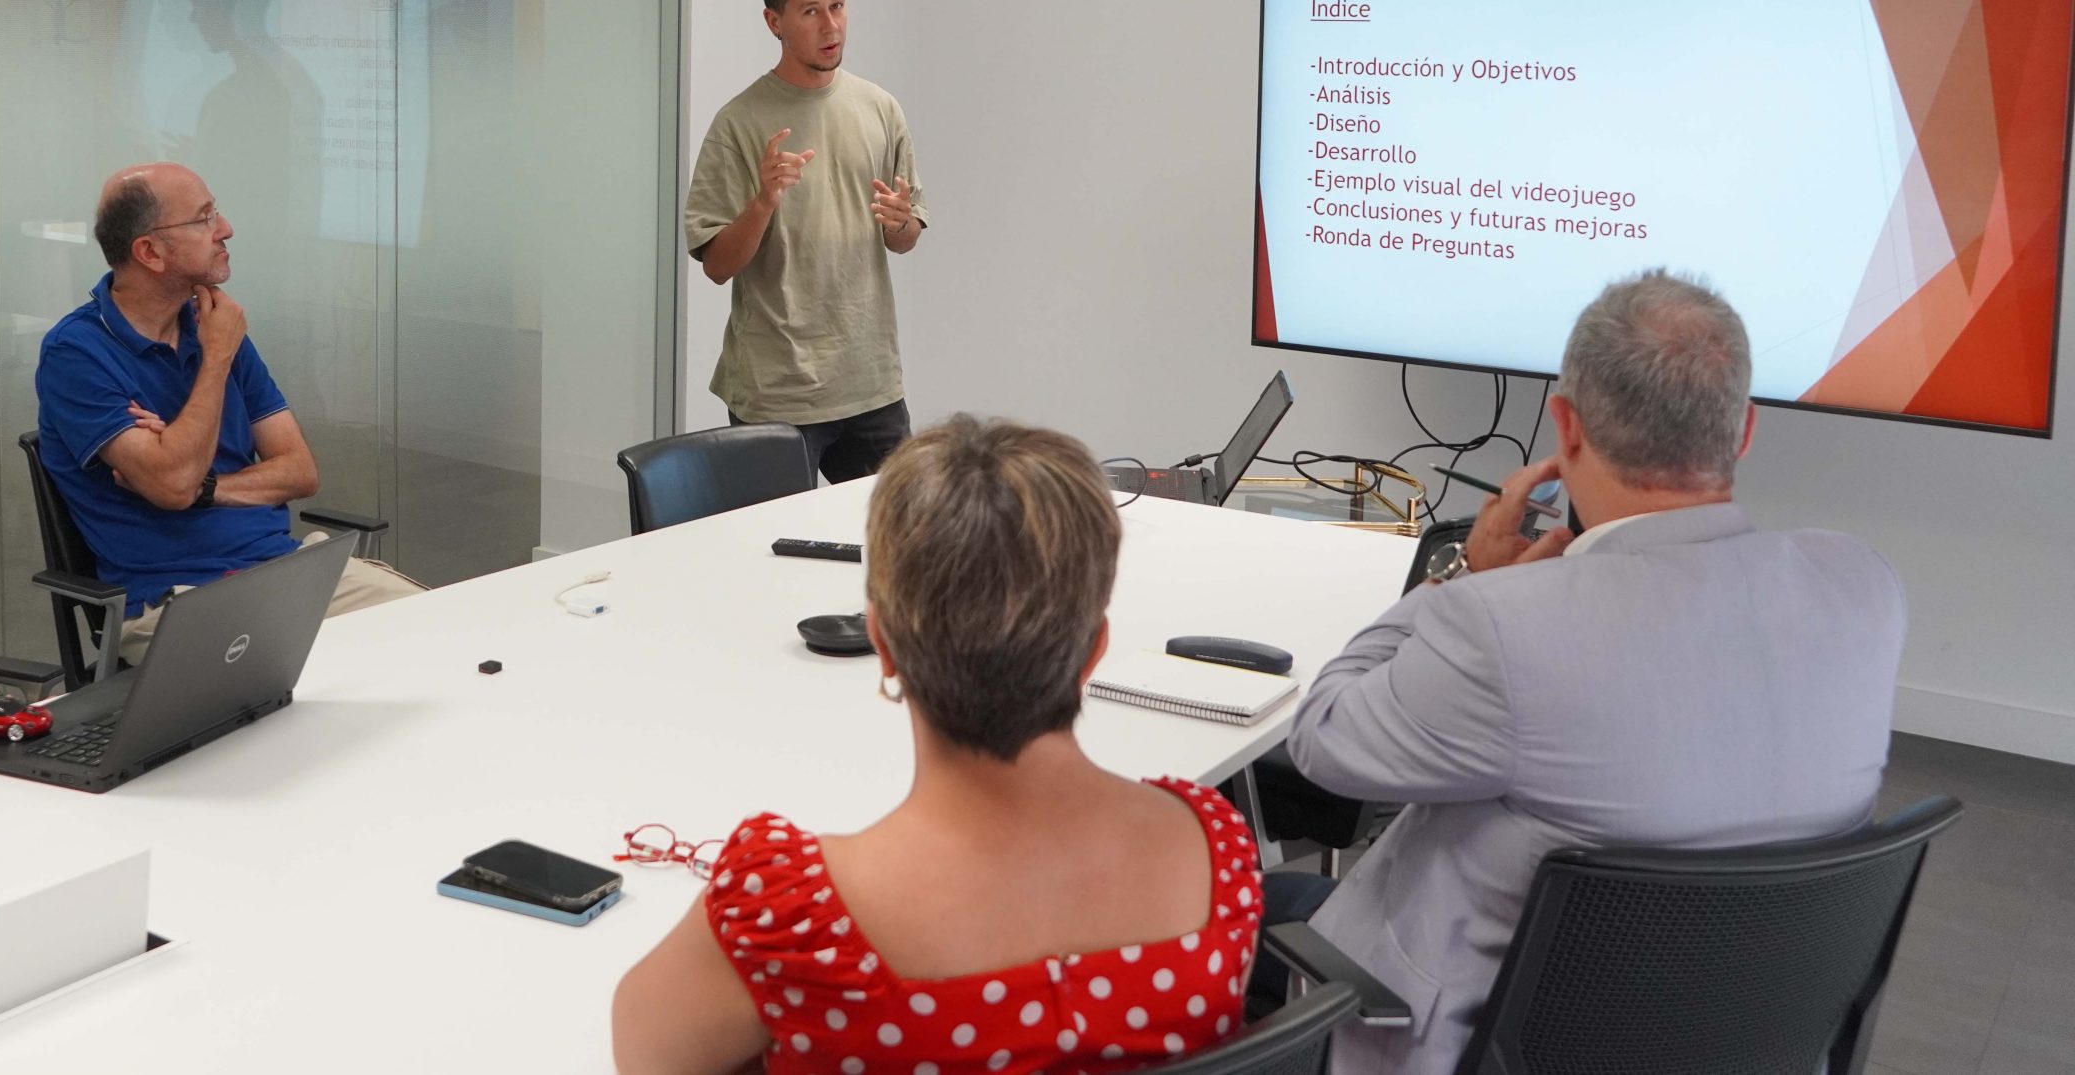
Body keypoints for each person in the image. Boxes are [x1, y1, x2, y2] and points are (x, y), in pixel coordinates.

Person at [1276, 270, 1906, 1075]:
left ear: (1565, 427)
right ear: (1743, 431)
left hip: (1467, 1047)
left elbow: (1326, 739)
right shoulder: (1863, 589)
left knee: (1245, 917)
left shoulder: (1504, 626)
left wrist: (1465, 577)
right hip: (1742, 1040)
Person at [612, 417, 1265, 1075]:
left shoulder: (790, 917)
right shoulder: (1214, 851)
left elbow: (642, 1053)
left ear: (884, 647)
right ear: (1093, 648)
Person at [33, 162, 420, 660]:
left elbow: (300, 472)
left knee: (452, 636)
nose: (226, 229)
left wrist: (205, 487)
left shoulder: (214, 324)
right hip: (176, 600)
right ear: (149, 251)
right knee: (326, 688)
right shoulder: (77, 352)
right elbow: (172, 485)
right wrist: (214, 362)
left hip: (285, 568)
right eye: (204, 218)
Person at [686, 0, 928, 483]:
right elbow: (717, 266)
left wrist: (902, 221)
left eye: (838, 5)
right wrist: (765, 200)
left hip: (871, 385)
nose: (831, 27)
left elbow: (906, 237)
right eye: (811, 11)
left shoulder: (880, 108)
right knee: (773, 553)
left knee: (904, 546)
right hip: (778, 392)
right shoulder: (739, 122)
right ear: (775, 21)